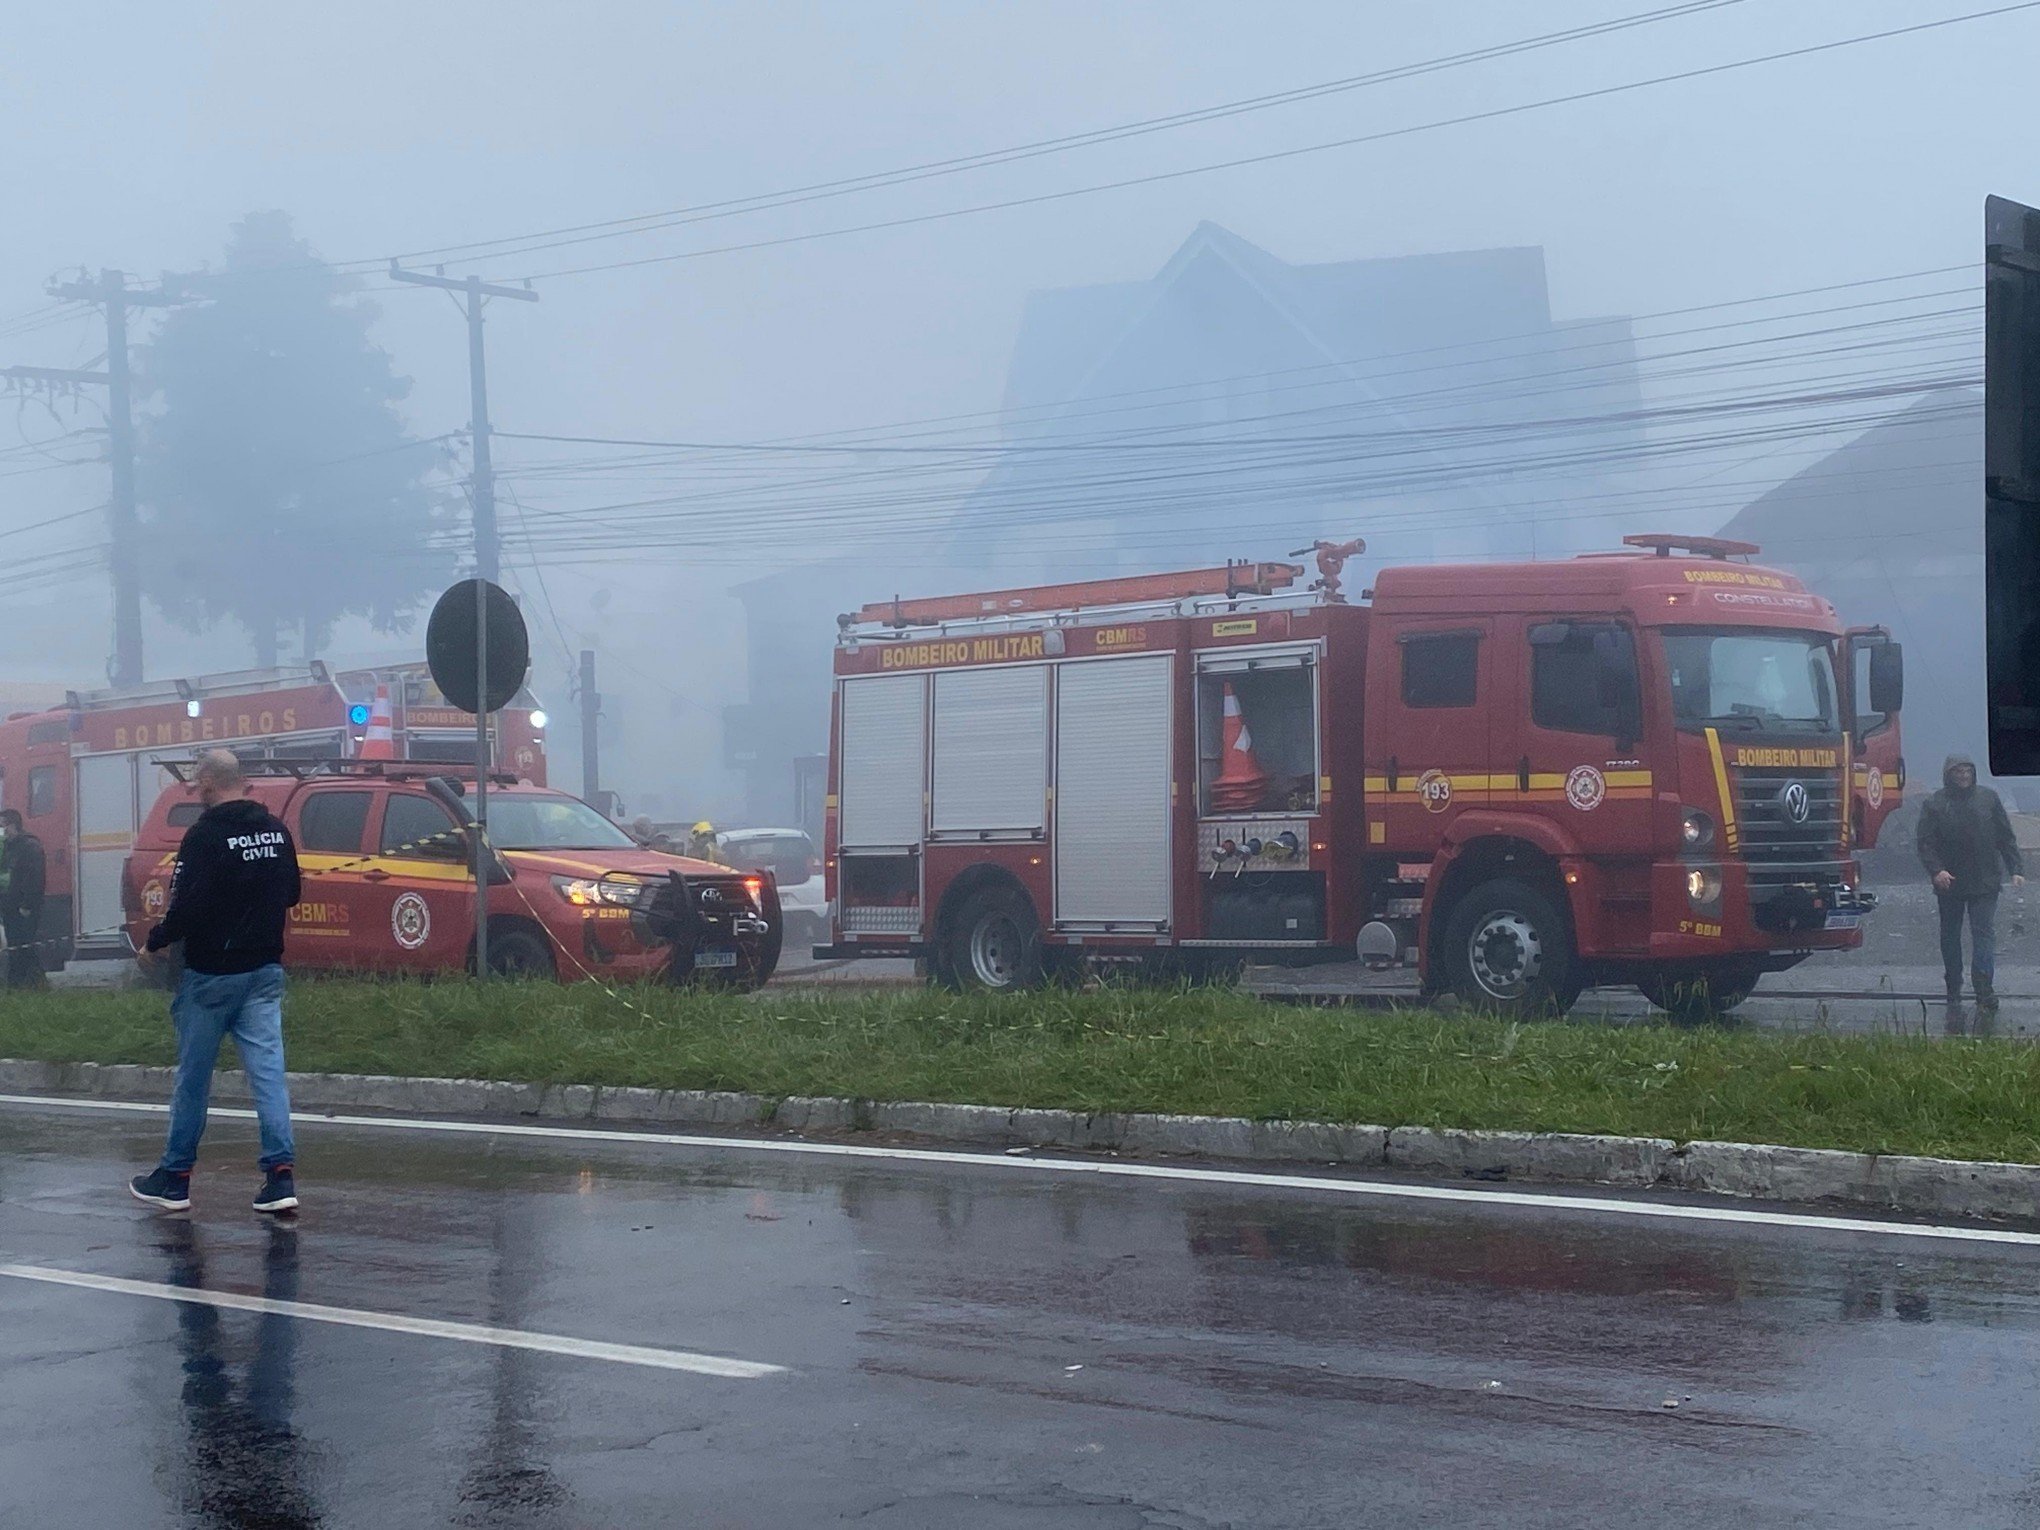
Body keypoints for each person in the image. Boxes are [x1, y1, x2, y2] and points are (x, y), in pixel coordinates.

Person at [129, 750, 304, 1215]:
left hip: (211, 976)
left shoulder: (204, 835)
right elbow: (291, 893)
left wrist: (154, 943)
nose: (194, 788)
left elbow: (186, 907)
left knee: (193, 1079)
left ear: (209, 781)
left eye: (196, 781)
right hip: (265, 971)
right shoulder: (276, 831)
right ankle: (280, 1177)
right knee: (269, 1075)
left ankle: (175, 1177)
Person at [1917, 753, 2026, 1021]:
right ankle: (1953, 984)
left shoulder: (1988, 798)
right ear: (1948, 775)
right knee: (1950, 936)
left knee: (1983, 934)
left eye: (1967, 771)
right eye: (1957, 771)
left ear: (1973, 773)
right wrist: (1936, 871)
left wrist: (2016, 869)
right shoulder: (1935, 803)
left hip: (1985, 881)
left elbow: (2005, 836)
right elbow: (1925, 843)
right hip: (1949, 882)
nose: (1963, 775)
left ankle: (1984, 988)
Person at [0, 808, 48, 989]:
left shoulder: (29, 846)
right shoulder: (7, 847)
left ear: (11, 825)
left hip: (24, 907)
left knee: (25, 945)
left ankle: (29, 984)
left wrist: (27, 904)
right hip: (9, 906)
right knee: (15, 946)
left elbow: (35, 878)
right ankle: (21, 985)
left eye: (2, 825)